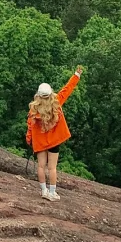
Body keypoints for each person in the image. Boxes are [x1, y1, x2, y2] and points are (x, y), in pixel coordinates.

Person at [26, 67, 83, 201]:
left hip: (40, 141)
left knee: (41, 166)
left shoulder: (34, 109)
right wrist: (76, 75)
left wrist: (29, 139)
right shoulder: (56, 102)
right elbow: (67, 90)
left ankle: (44, 191)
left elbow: (30, 126)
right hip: (54, 141)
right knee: (52, 168)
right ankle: (52, 193)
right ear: (50, 93)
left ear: (38, 95)